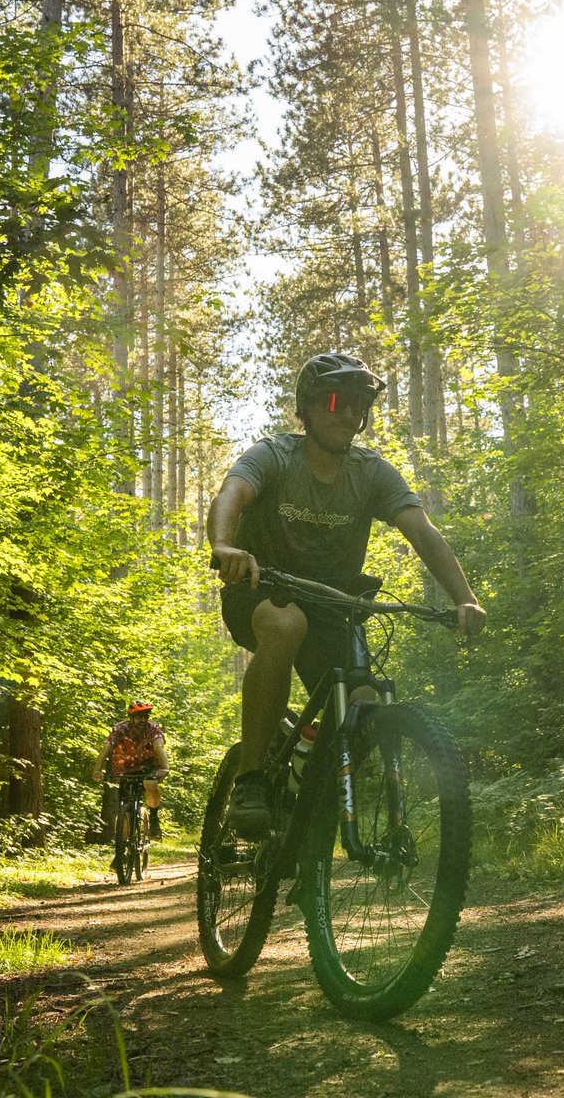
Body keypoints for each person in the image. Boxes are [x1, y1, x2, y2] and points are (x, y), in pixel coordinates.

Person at [207, 352, 485, 838]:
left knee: (361, 702)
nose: (348, 414)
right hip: (259, 590)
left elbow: (423, 533)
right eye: (335, 401)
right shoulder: (275, 455)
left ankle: (305, 804)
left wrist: (466, 597)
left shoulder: (371, 472)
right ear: (307, 408)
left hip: (332, 606)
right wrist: (225, 545)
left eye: (358, 406)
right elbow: (231, 493)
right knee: (286, 622)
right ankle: (251, 780)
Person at [92, 700, 170, 845]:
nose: (142, 720)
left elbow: (159, 748)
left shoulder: (153, 728)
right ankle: (120, 853)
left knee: (150, 782)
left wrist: (165, 768)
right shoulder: (120, 729)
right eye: (139, 717)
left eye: (145, 716)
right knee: (124, 810)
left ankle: (153, 817)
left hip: (148, 766)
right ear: (131, 718)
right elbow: (106, 750)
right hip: (125, 768)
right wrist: (97, 770)